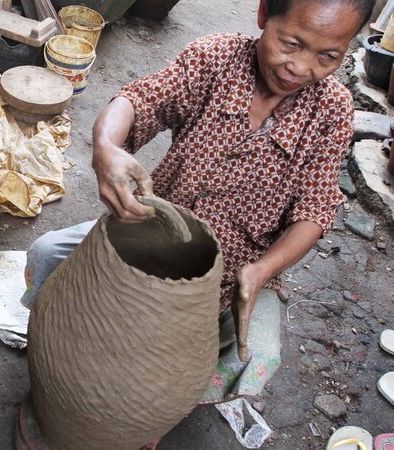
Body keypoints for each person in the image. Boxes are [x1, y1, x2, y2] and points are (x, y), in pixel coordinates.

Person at [22, 0, 373, 444]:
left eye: (329, 56)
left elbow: (316, 209)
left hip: (235, 275)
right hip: (145, 235)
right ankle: (64, 372)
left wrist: (263, 270)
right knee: (46, 253)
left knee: (257, 355)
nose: (300, 67)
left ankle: (148, 414)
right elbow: (139, 99)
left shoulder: (333, 111)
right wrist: (106, 146)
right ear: (265, 15)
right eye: (291, 43)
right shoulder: (215, 58)